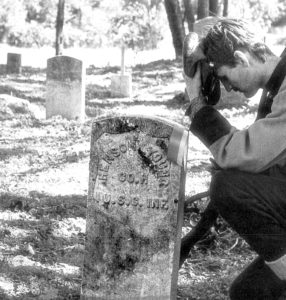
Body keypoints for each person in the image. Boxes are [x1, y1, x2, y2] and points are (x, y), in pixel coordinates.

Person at [181, 18, 286, 300]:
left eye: (225, 77)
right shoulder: (278, 85)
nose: (226, 88)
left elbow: (241, 153)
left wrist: (196, 101)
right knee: (248, 293)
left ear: (240, 58)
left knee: (228, 186)